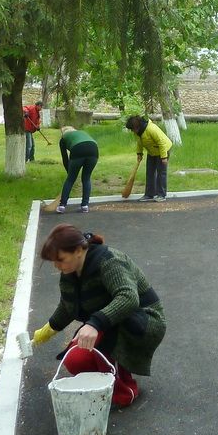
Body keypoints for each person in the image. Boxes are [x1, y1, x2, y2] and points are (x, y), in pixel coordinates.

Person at [32, 224, 166, 408]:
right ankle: (108, 379)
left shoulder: (109, 261)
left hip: (144, 320)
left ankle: (123, 393)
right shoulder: (70, 271)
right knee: (75, 361)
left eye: (60, 260)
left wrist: (94, 324)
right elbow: (67, 305)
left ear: (78, 250)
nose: (57, 266)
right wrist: (48, 330)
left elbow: (128, 297)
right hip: (111, 322)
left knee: (102, 344)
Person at [125, 116, 173, 202]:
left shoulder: (151, 129)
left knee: (161, 173)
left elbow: (161, 143)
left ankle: (161, 195)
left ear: (137, 126)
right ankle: (149, 194)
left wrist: (164, 157)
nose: (132, 131)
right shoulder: (138, 132)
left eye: (132, 129)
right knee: (150, 172)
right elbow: (139, 143)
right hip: (152, 152)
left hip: (164, 149)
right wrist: (139, 153)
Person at [57, 126, 99, 213]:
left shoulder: (63, 139)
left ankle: (62, 206)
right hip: (94, 150)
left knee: (70, 180)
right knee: (86, 178)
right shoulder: (82, 132)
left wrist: (69, 172)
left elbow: (65, 158)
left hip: (77, 150)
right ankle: (85, 205)